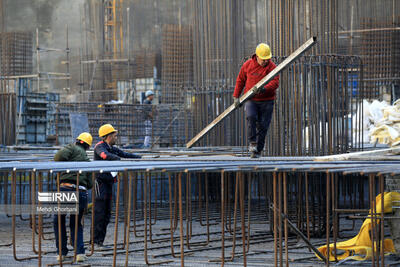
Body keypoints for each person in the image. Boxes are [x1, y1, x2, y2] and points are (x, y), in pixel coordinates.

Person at [92, 124, 141, 247]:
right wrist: (117, 159)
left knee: (107, 214)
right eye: (114, 135)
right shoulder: (100, 147)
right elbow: (105, 155)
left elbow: (124, 154)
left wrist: (140, 158)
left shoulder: (112, 147)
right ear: (108, 136)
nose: (116, 137)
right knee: (100, 213)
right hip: (101, 183)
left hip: (108, 183)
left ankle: (100, 241)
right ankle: (94, 241)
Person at [233, 43, 280, 158]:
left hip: (267, 100)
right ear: (257, 56)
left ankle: (258, 150)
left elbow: (275, 82)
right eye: (263, 59)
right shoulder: (248, 65)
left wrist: (264, 88)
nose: (265, 62)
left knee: (264, 126)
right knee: (251, 117)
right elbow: (240, 80)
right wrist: (236, 96)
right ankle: (252, 142)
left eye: (267, 59)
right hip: (251, 99)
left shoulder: (272, 67)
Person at [53, 132, 93, 262]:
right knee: (76, 223)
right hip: (81, 193)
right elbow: (91, 184)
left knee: (59, 220)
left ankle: (62, 253)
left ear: (77, 141)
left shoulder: (71, 148)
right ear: (87, 146)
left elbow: (58, 157)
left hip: (66, 189)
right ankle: (80, 253)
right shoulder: (87, 160)